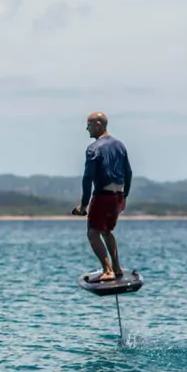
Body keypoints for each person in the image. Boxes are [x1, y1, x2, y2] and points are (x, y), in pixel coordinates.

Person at [72, 112, 133, 282]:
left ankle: (108, 271)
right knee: (106, 231)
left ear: (98, 124)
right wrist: (125, 196)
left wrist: (83, 206)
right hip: (118, 195)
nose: (87, 128)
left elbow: (87, 178)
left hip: (103, 196)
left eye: (89, 125)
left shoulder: (94, 148)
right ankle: (117, 268)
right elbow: (128, 172)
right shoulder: (120, 145)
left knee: (93, 233)